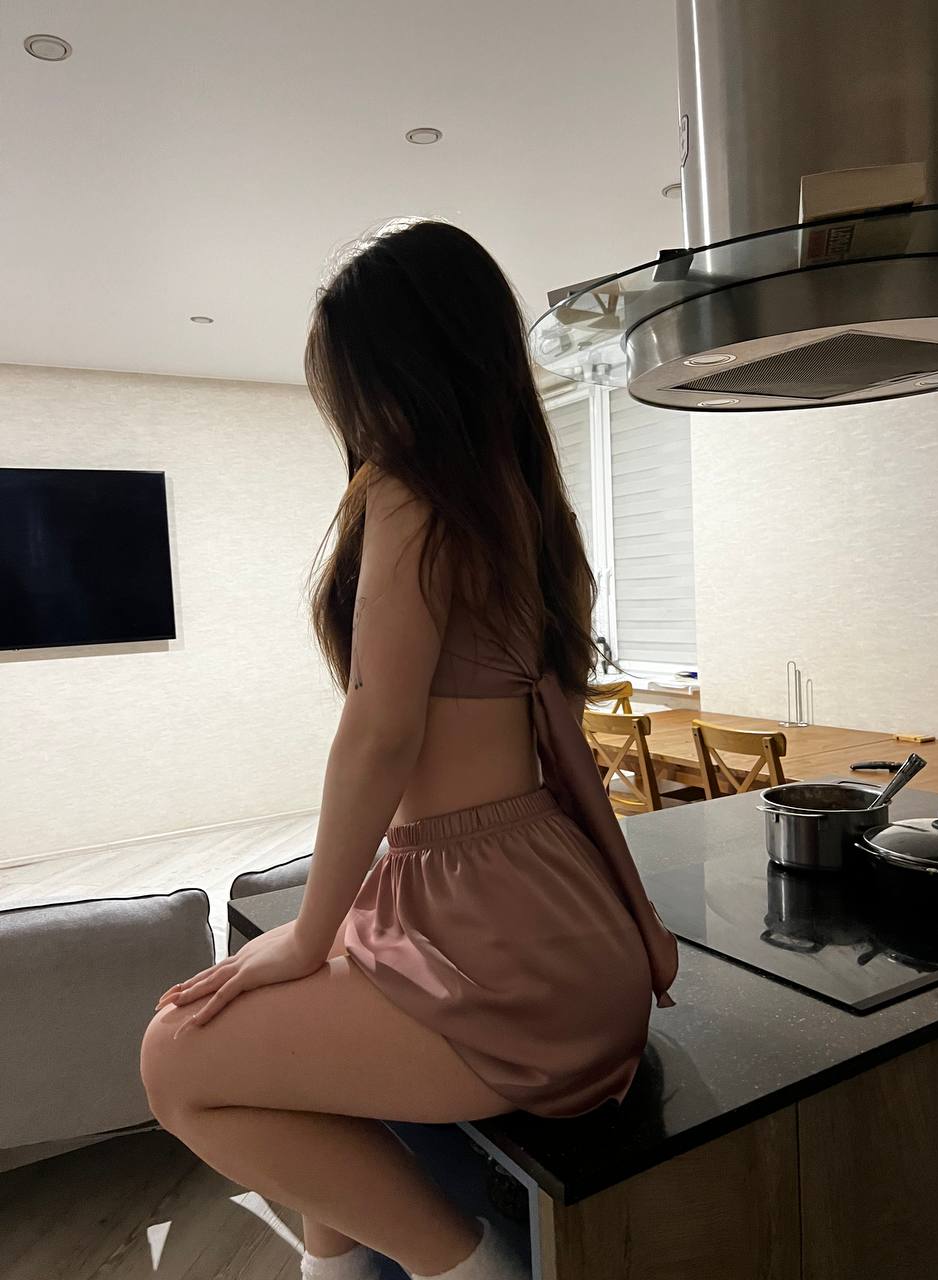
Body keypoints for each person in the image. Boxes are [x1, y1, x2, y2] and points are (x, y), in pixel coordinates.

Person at [140, 218, 678, 1280]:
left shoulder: (412, 494)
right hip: (564, 934)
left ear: (402, 375)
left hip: (491, 933)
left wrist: (308, 935)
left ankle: (463, 1267)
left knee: (174, 1060)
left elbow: (381, 732)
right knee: (291, 1051)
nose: (354, 418)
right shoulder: (537, 517)